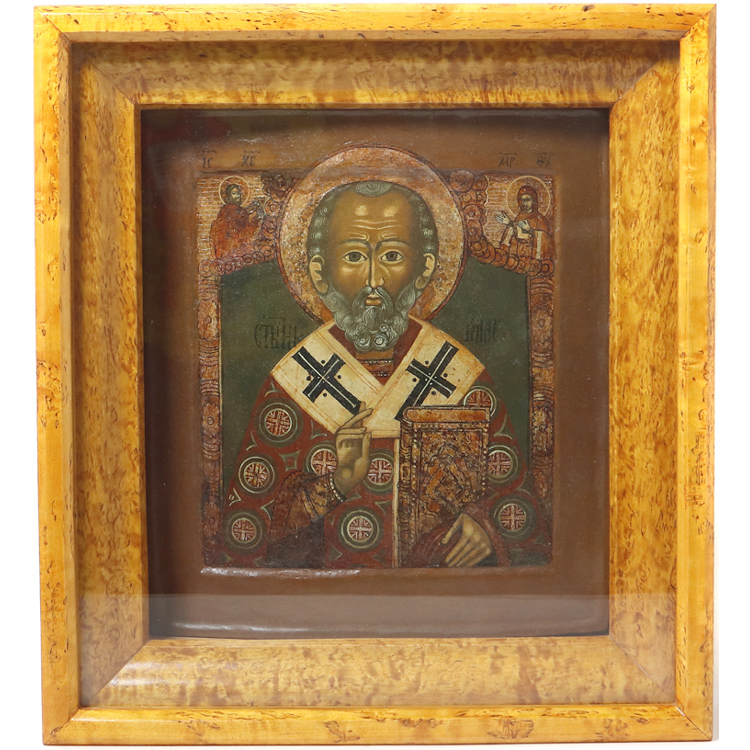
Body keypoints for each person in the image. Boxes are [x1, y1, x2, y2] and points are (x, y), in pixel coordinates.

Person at [221, 180, 549, 568]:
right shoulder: (293, 380)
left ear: (424, 270)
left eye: (392, 255)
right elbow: (248, 540)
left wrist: (486, 529)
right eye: (354, 256)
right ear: (320, 274)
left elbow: (519, 519)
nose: (373, 280)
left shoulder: (461, 375)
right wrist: (339, 482)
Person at [496, 185, 553, 261]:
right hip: (518, 253)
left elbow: (546, 239)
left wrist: (530, 230)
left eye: (528, 200)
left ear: (533, 201)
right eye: (522, 200)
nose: (525, 203)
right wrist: (510, 224)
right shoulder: (519, 216)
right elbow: (516, 234)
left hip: (531, 254)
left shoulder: (539, 218)